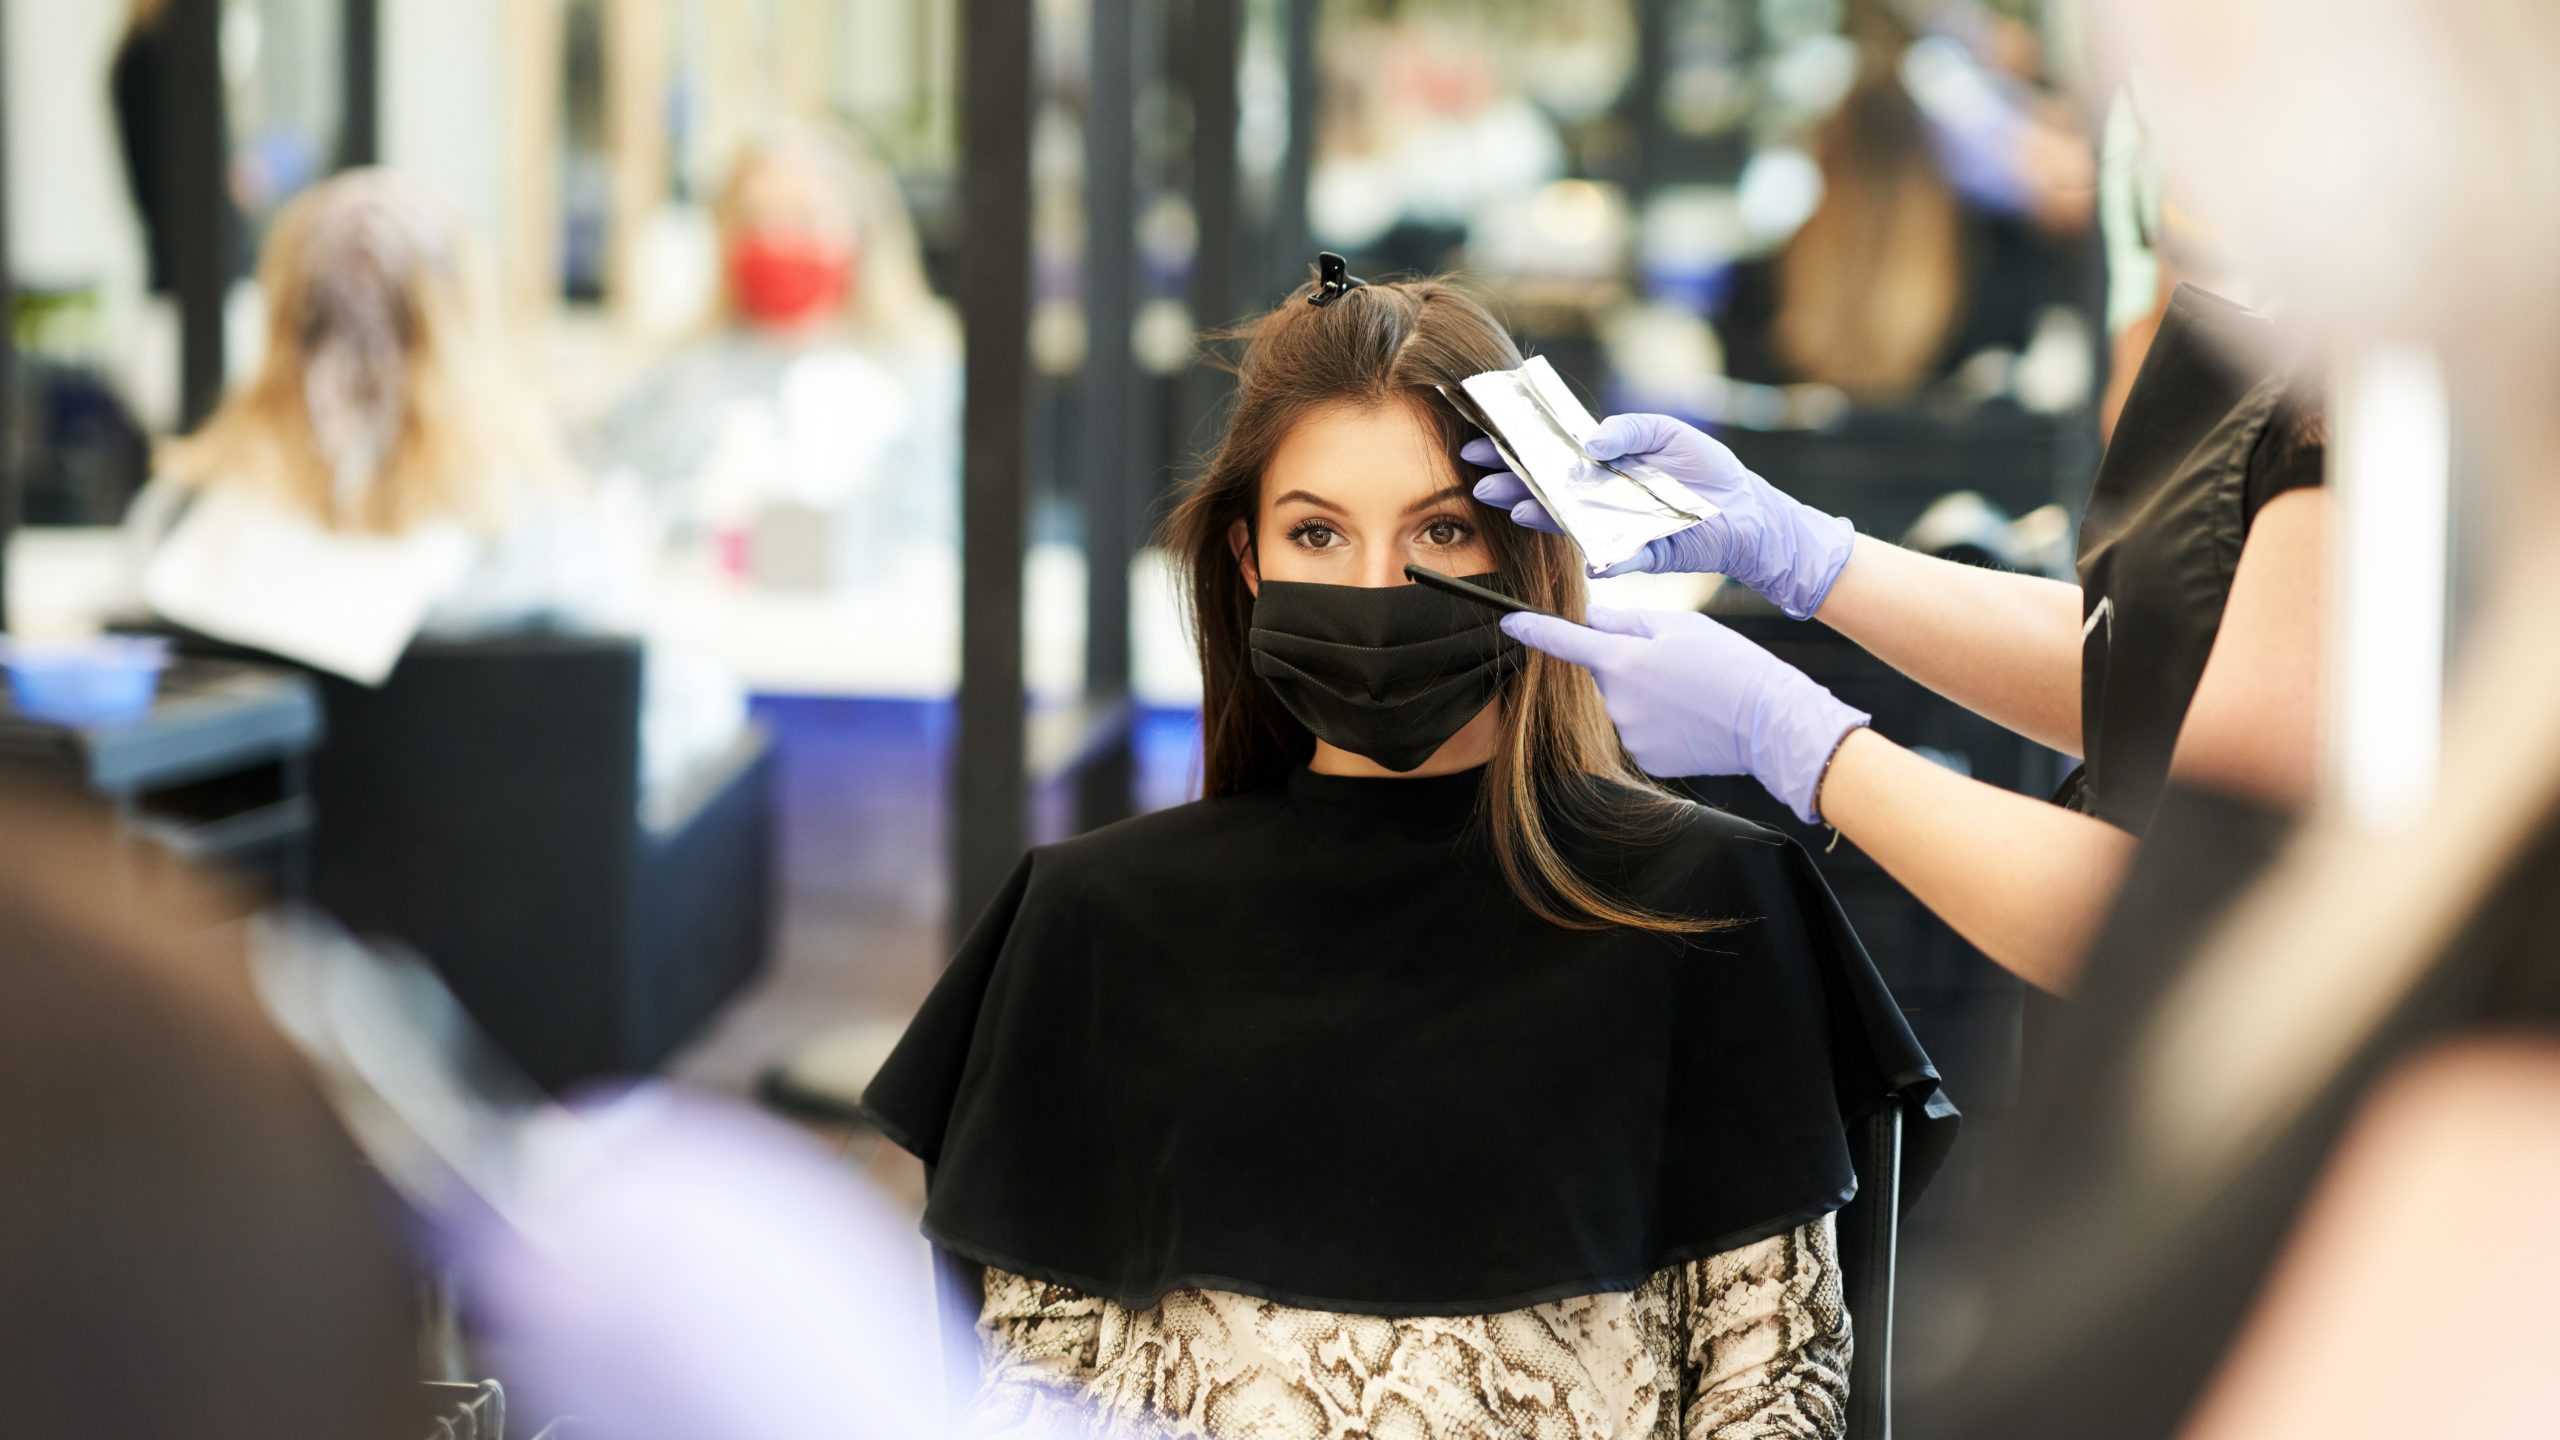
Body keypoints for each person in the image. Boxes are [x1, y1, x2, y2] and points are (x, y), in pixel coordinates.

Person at [860, 270, 1954, 1440]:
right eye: (1317, 533)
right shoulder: (1092, 920)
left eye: (1441, 531)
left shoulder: (1710, 909)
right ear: (1246, 562)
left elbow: (1772, 1383)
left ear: (1530, 548)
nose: (1376, 588)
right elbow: (1033, 1384)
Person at [1477, 277, 2324, 997]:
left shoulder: (2369, 428)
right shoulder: (2314, 353)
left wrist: (1795, 735)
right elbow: (2147, 670)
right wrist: (1802, 549)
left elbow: (2190, 918)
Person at [123, 169, 743, 801]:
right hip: (508, 889)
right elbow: (662, 739)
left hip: (237, 891)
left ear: (279, 315)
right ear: (468, 319)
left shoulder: (179, 530)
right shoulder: (542, 535)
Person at [590, 124, 960, 568]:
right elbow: (620, 513)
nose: (778, 238)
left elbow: (937, 533)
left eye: (805, 218)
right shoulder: (672, 374)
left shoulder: (923, 374)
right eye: (755, 218)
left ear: (860, 231)